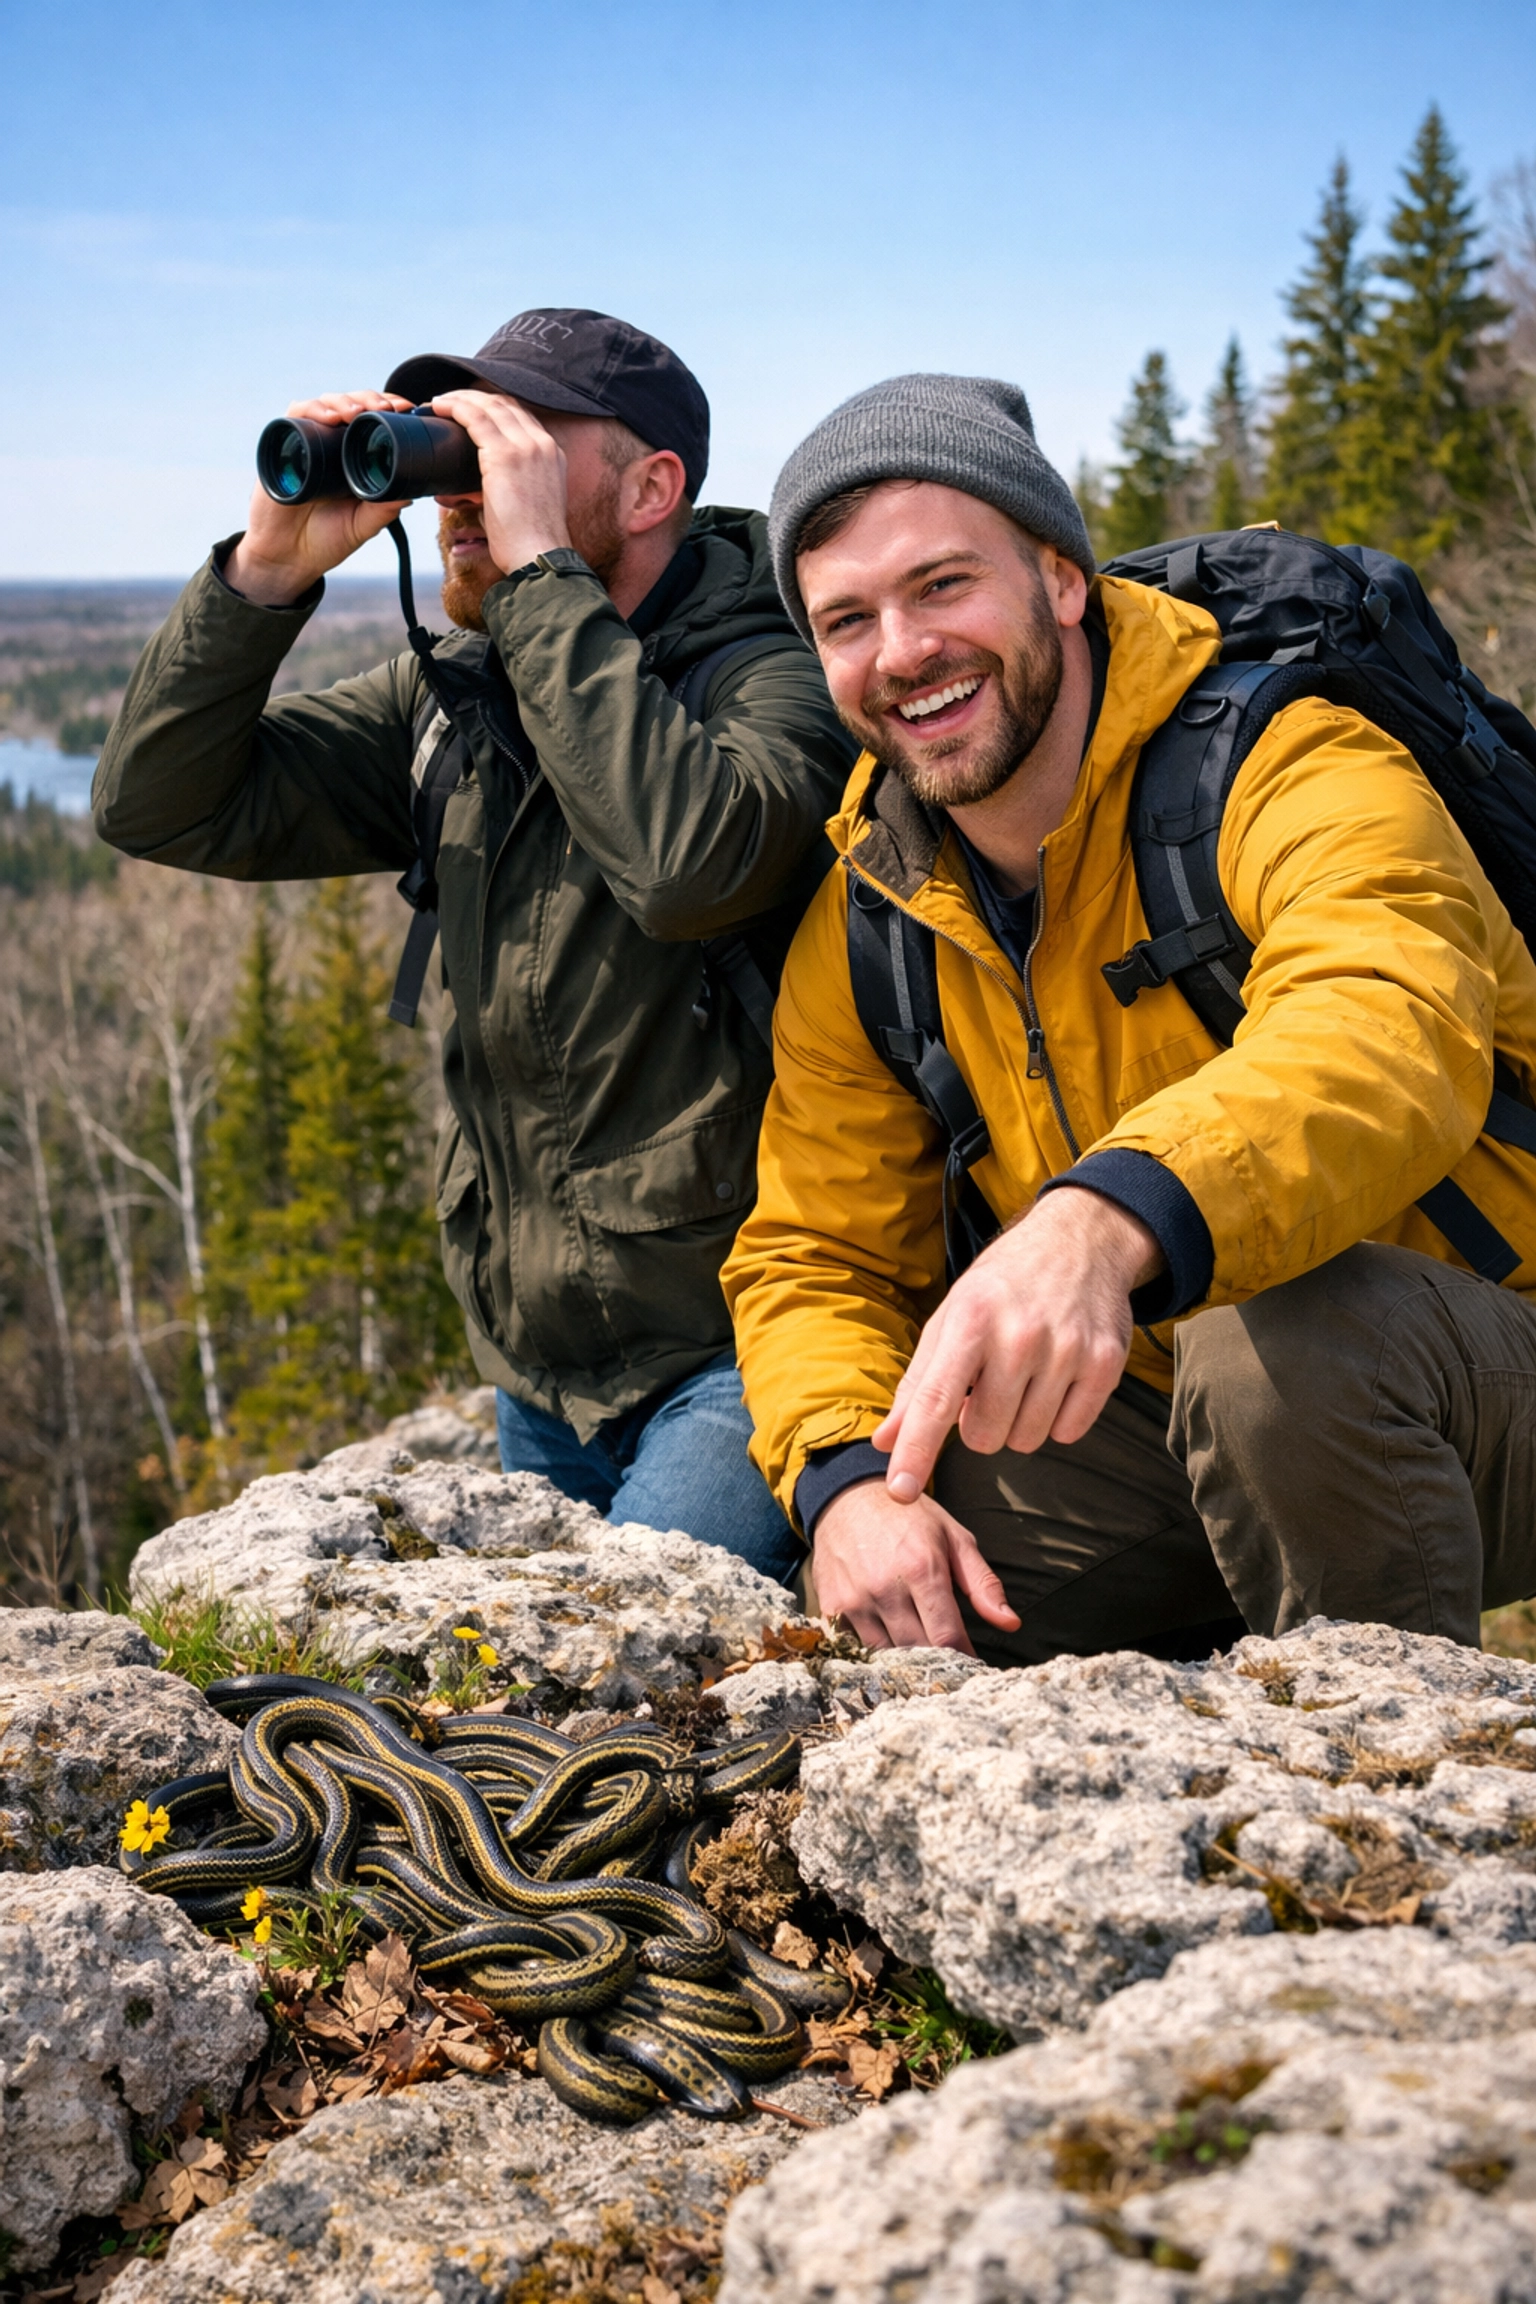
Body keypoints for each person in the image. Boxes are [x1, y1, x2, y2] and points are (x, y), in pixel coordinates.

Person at [722, 371, 1536, 1657]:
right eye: (848, 620)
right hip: (1168, 1420)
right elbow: (815, 1253)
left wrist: (1106, 1217)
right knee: (897, 1542)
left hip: (1474, 1355)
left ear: (1060, 579)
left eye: (944, 585)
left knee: (1281, 1353)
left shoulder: (1290, 760)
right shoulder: (880, 908)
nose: (903, 653)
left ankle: (1386, 1808)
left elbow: (1389, 1021)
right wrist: (843, 1488)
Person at [94, 308, 852, 1585]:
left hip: (754, 1349)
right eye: (453, 449)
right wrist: (268, 574)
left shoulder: (775, 672)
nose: (468, 494)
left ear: (655, 486)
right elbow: (158, 802)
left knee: (607, 1701)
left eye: (517, 450)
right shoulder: (459, 693)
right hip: (540, 1376)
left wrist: (541, 570)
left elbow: (686, 864)